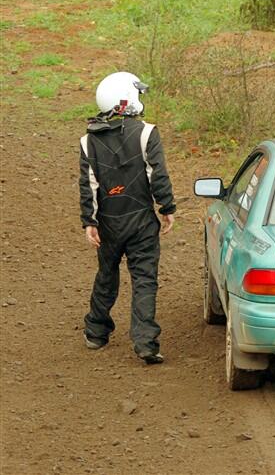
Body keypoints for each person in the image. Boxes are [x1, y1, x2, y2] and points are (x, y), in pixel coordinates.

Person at [79, 72, 176, 365]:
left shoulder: (88, 141)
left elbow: (89, 184)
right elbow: (157, 173)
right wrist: (167, 207)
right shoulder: (147, 132)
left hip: (108, 222)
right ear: (126, 100)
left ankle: (96, 331)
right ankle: (145, 343)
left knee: (106, 275)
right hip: (142, 222)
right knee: (145, 279)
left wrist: (90, 222)